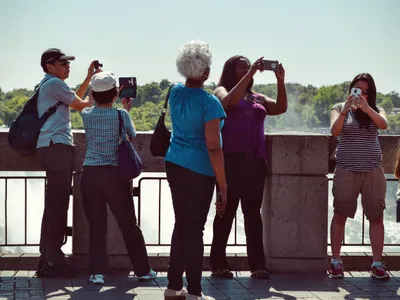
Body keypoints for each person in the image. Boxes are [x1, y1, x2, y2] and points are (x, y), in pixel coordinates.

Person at [210, 56, 287, 279]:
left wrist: (280, 81)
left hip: (255, 161)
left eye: (248, 65)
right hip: (230, 161)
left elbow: (280, 107)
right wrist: (250, 74)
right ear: (231, 70)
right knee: (225, 213)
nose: (247, 67)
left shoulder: (256, 97)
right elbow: (227, 104)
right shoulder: (221, 91)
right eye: (242, 66)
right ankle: (218, 264)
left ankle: (257, 265)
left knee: (253, 214)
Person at [163, 40, 227, 300]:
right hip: (200, 170)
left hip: (175, 163)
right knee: (195, 229)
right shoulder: (210, 103)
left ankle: (173, 285)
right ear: (206, 72)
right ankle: (195, 291)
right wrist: (223, 184)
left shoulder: (174, 92)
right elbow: (214, 147)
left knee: (182, 224)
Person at [80, 71, 157, 285]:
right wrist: (125, 108)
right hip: (115, 175)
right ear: (115, 93)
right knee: (128, 225)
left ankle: (98, 273)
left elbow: (85, 102)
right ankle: (142, 270)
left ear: (94, 95)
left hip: (91, 173)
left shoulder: (86, 114)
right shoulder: (121, 115)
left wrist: (94, 88)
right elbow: (131, 134)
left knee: (96, 225)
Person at [36, 48, 98, 277]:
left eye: (67, 63)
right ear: (49, 65)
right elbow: (83, 105)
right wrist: (100, 91)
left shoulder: (50, 84)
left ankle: (48, 258)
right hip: (57, 148)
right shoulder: (54, 83)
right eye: (62, 63)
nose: (67, 66)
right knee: (58, 205)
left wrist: (89, 78)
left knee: (54, 204)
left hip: (49, 148)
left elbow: (74, 101)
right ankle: (53, 261)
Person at [328, 73, 389, 280]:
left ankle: (377, 263)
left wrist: (367, 108)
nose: (361, 94)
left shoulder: (375, 109)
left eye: (365, 91)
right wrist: (345, 110)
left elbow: (383, 124)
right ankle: (336, 261)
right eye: (357, 90)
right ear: (350, 90)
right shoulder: (338, 108)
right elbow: (334, 131)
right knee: (340, 214)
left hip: (372, 169)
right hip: (346, 169)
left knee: (376, 216)